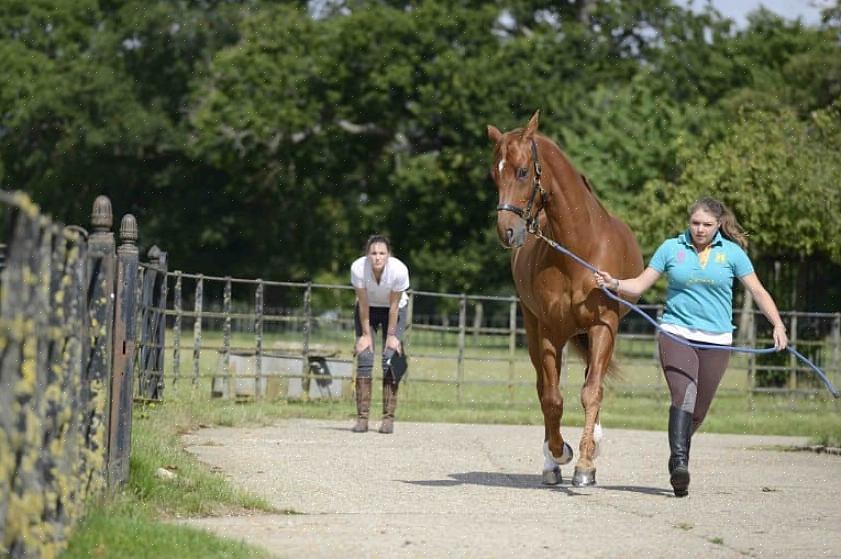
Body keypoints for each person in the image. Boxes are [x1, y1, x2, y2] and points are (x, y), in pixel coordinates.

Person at [594, 197, 788, 497]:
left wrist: (777, 324)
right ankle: (680, 465)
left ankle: (677, 452)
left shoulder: (733, 254)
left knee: (698, 410)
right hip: (676, 334)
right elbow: (640, 285)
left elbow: (759, 291)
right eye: (695, 223)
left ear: (718, 225)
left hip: (717, 341)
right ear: (689, 222)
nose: (700, 229)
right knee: (684, 396)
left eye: (707, 225)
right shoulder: (672, 248)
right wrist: (614, 283)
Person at [350, 234, 410, 434]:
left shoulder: (399, 271)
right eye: (374, 253)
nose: (377, 257)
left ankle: (388, 419)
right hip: (368, 310)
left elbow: (394, 308)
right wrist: (365, 335)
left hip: (394, 310)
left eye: (382, 253)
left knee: (389, 358)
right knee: (365, 354)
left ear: (388, 255)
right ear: (368, 255)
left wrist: (393, 336)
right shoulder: (358, 268)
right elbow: (363, 304)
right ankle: (362, 419)